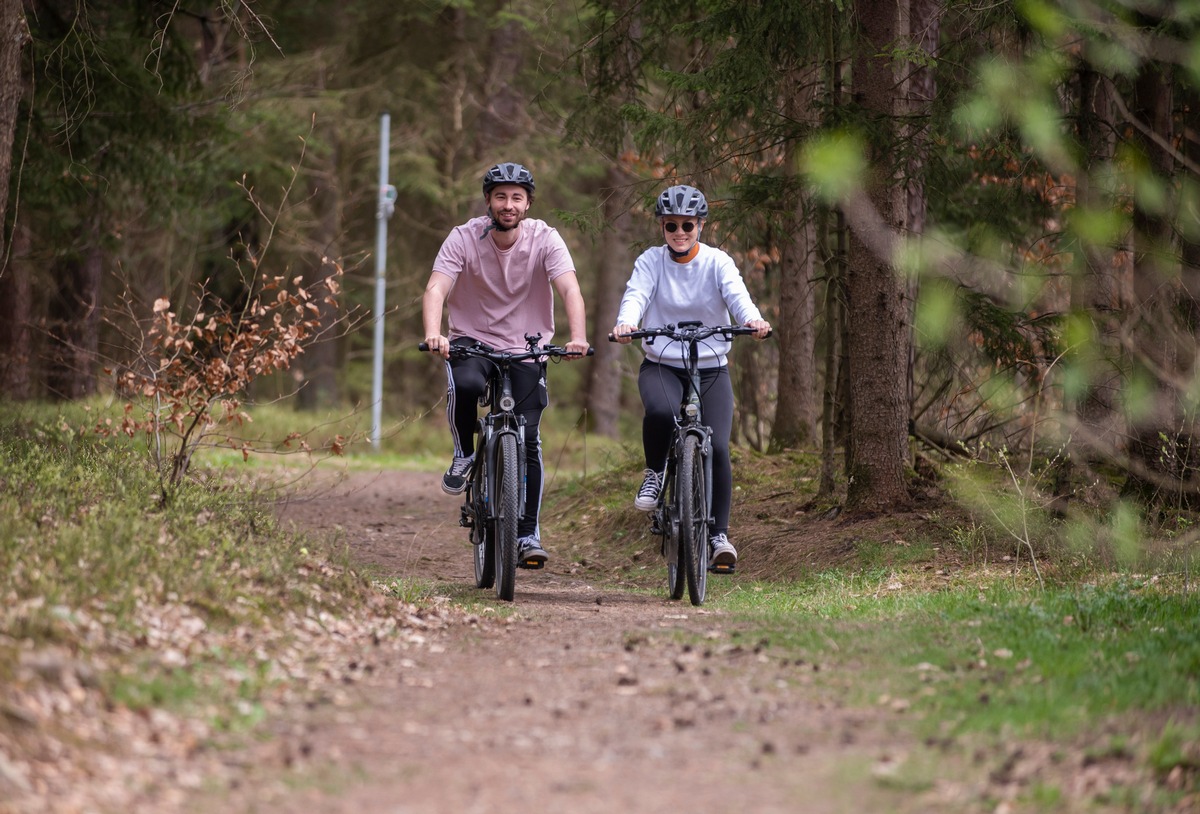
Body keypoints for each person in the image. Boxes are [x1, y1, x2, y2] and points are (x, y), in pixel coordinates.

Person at [422, 162, 590, 568]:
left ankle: (528, 533)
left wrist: (578, 337)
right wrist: (435, 333)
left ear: (528, 203)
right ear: (488, 202)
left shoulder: (545, 238)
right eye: (500, 196)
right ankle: (464, 453)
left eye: (516, 197)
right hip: (471, 342)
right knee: (463, 386)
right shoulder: (463, 237)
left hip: (528, 347)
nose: (508, 204)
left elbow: (569, 287)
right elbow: (436, 287)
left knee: (529, 438)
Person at [611, 184, 771, 569]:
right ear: (662, 228)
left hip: (712, 366)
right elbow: (636, 294)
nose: (679, 233)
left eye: (687, 225)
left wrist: (751, 319)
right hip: (662, 363)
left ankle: (718, 536)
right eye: (671, 226)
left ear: (700, 225)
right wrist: (626, 322)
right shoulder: (651, 261)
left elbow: (737, 295)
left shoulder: (718, 262)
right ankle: (654, 472)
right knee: (663, 415)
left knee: (716, 447)